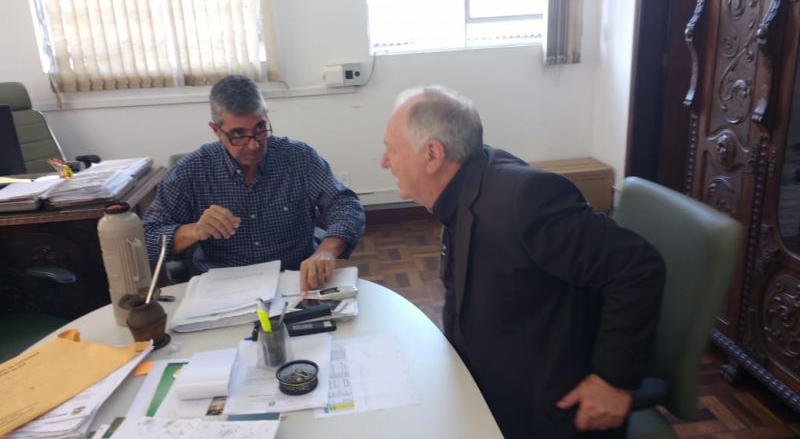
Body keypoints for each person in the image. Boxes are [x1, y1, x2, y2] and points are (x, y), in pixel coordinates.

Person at [380, 85, 665, 438]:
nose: (384, 161)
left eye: (391, 149)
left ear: (433, 155)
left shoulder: (524, 200)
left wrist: (613, 381)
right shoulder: (468, 184)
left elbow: (637, 266)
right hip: (488, 381)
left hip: (546, 412)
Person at [143, 75, 365, 292]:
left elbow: (344, 204)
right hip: (223, 289)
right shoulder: (191, 172)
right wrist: (194, 230)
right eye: (238, 134)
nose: (254, 145)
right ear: (216, 131)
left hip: (295, 282)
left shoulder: (298, 157)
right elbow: (148, 238)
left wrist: (327, 249)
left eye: (260, 128)